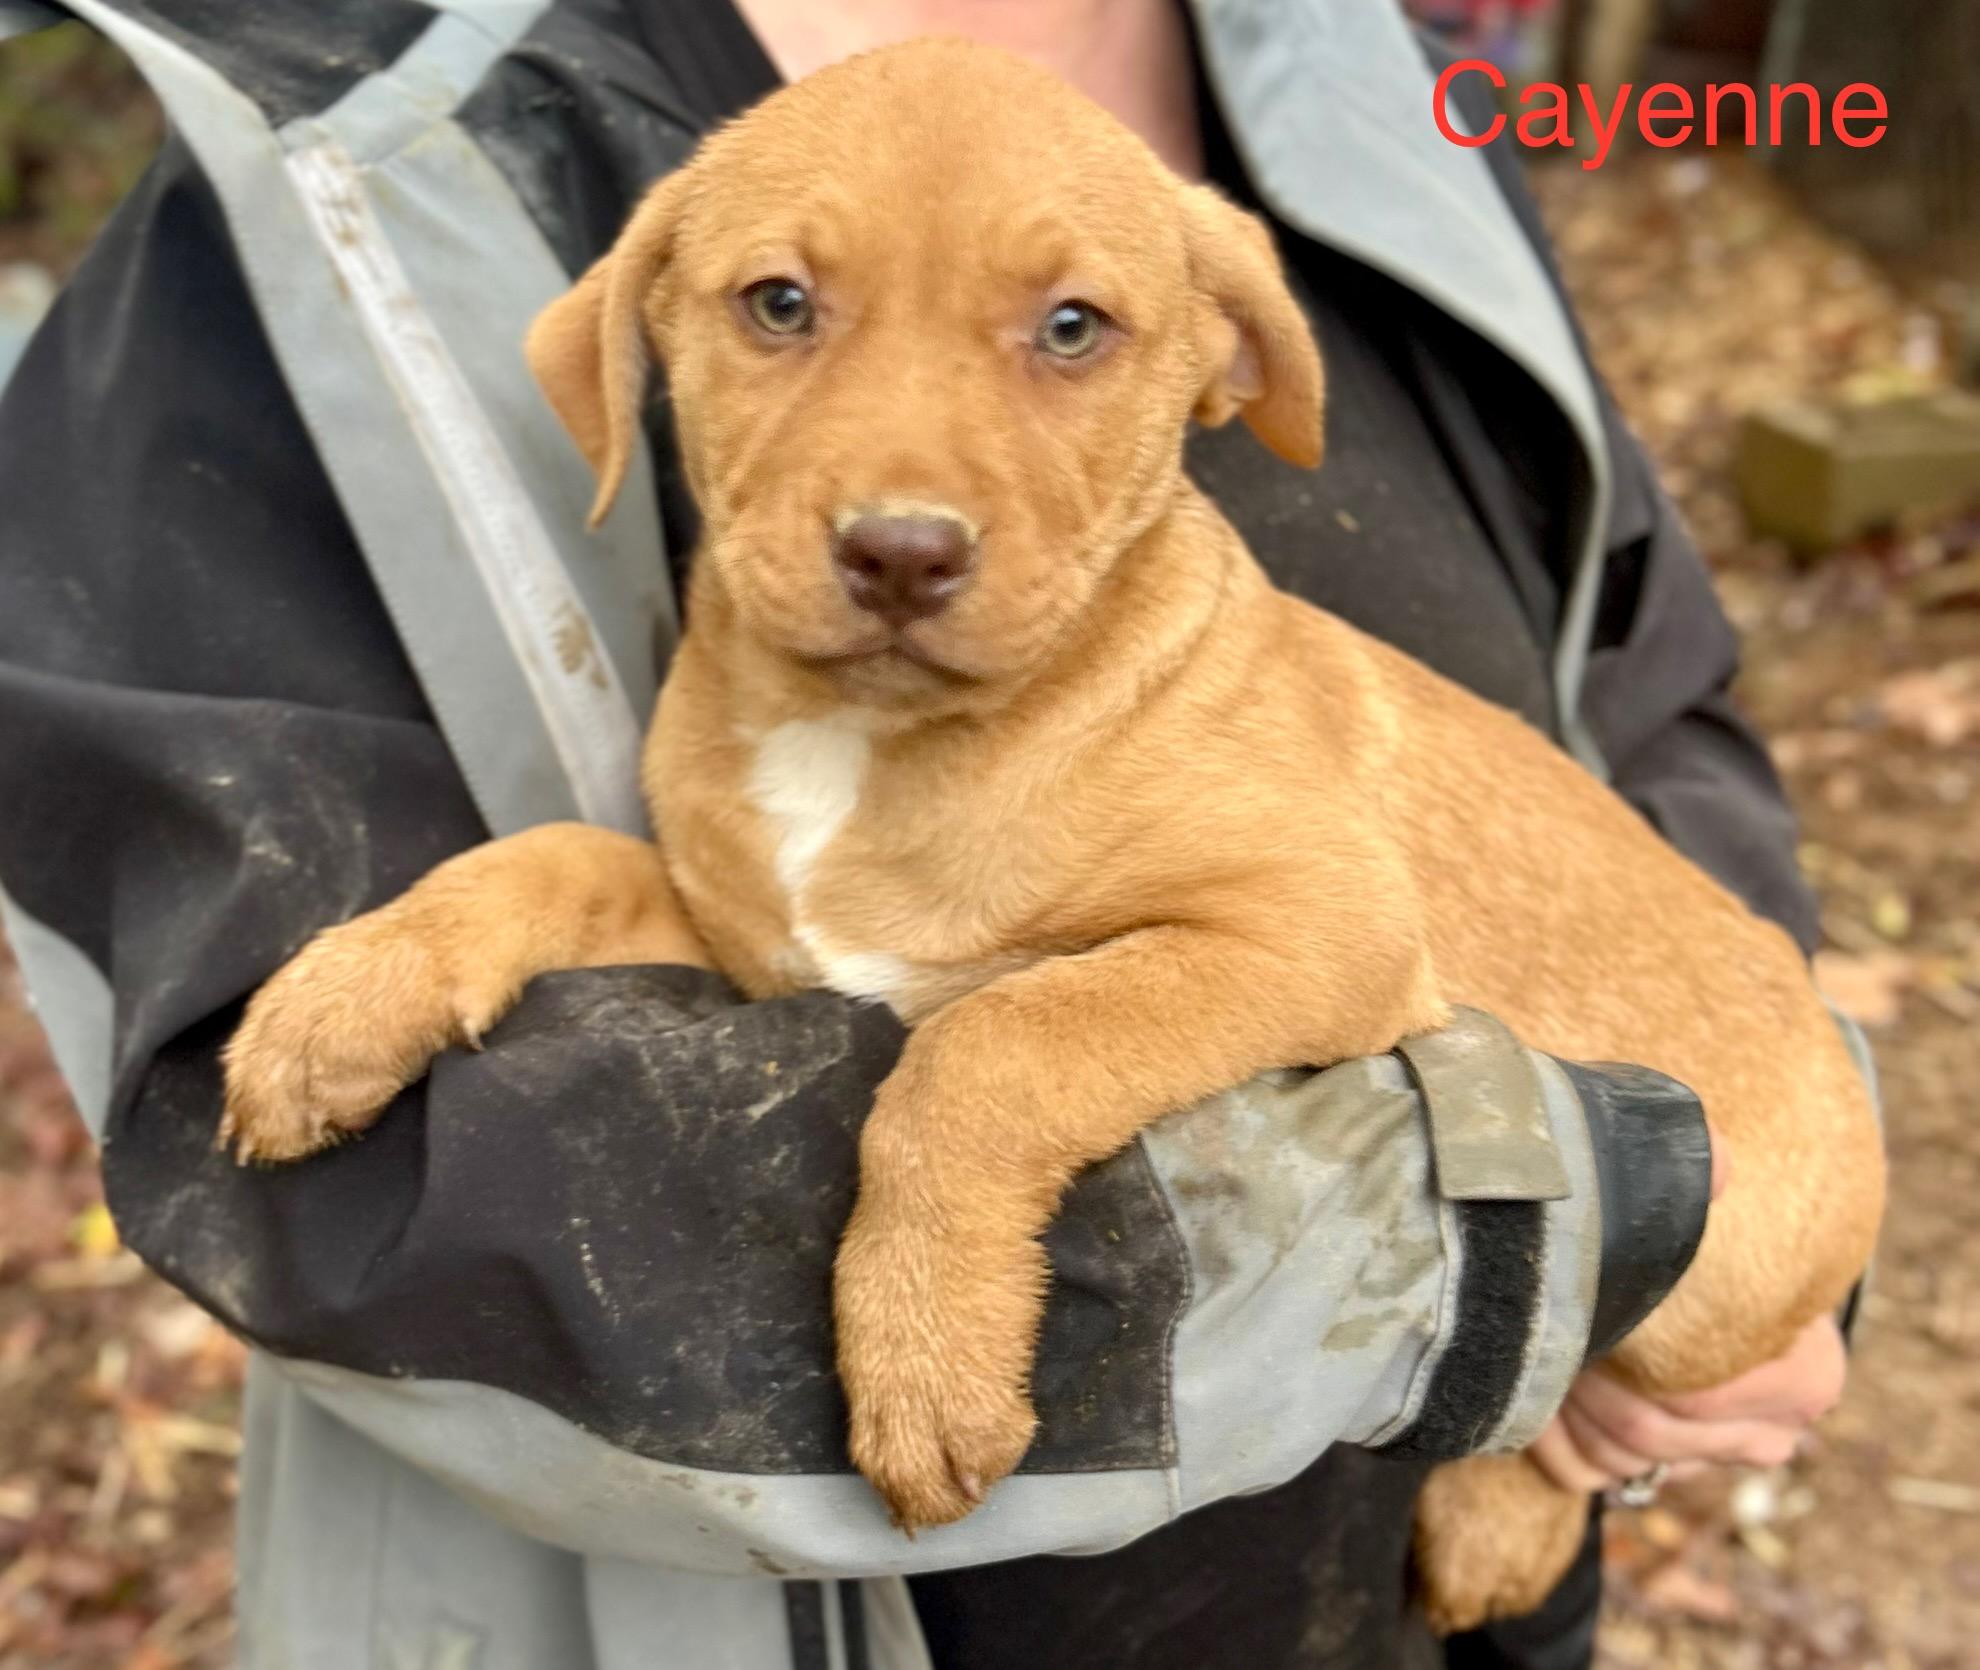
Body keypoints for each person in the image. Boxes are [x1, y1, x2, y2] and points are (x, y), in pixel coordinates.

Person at [0, 2, 1858, 1666]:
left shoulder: (1375, 91)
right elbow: (724, 948)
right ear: (635, 339)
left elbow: (1348, 936)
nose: (907, 498)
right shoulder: (342, 142)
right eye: (783, 309)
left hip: (1719, 1140)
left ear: (1227, 361)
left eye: (1070, 331)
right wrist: (494, 909)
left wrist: (978, 1129)